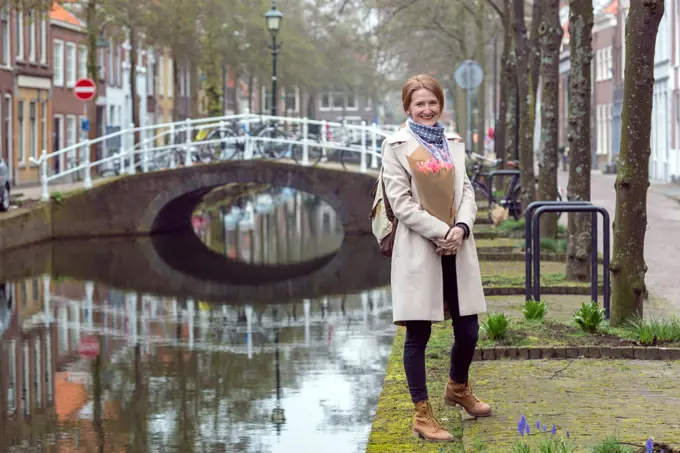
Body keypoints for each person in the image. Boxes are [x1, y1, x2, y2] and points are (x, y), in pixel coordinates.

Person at [381, 74, 492, 443]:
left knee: (469, 329)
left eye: (432, 103)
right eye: (419, 104)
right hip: (420, 250)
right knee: (418, 334)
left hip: (457, 249)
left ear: (440, 105)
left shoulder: (454, 142)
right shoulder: (395, 145)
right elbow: (401, 203)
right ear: (407, 108)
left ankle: (458, 388)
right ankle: (422, 415)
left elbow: (467, 191)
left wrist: (461, 227)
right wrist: (440, 232)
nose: (427, 110)